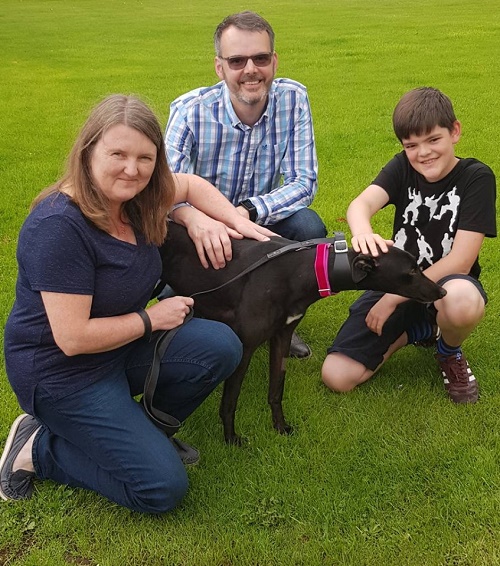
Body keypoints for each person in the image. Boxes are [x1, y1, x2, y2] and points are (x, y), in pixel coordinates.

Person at [0, 94, 274, 513]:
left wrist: (233, 221)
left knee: (220, 346)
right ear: (89, 149)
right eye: (118, 154)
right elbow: (72, 338)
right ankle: (37, 448)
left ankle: (144, 435)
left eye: (145, 157)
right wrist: (150, 318)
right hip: (62, 374)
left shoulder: (136, 199)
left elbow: (189, 185)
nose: (132, 169)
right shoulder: (59, 226)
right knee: (161, 488)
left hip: (117, 348)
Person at [165, 10, 327, 359]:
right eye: (237, 60)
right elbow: (164, 191)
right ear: (219, 67)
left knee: (308, 227)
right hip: (201, 225)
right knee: (164, 256)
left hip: (256, 219)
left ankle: (279, 323)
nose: (250, 69)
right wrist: (196, 219)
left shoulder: (293, 99)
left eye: (260, 58)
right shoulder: (189, 111)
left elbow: (304, 181)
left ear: (274, 61)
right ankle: (195, 317)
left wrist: (248, 211)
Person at [321, 87, 496, 403]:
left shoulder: (476, 177)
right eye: (411, 145)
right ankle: (420, 330)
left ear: (454, 131)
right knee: (337, 376)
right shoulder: (403, 166)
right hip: (399, 279)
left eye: (433, 140)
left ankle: (448, 351)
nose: (423, 153)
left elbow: (462, 259)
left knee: (462, 301)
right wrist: (362, 232)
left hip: (445, 284)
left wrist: (390, 300)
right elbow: (360, 205)